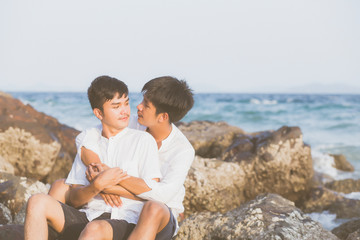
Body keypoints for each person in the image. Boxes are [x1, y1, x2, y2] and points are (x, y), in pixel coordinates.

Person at [49, 76, 195, 239]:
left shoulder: (183, 150)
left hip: (158, 213)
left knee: (153, 207)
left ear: (162, 117)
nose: (138, 107)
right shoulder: (133, 123)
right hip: (123, 207)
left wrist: (109, 183)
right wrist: (99, 169)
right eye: (142, 100)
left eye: (146, 105)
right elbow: (86, 138)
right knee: (60, 186)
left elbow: (161, 195)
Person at [24, 76, 162, 240]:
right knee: (37, 201)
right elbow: (74, 200)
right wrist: (96, 187)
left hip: (125, 220)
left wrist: (110, 185)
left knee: (94, 229)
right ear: (98, 113)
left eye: (126, 103)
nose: (125, 111)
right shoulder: (90, 142)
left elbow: (154, 192)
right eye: (116, 106)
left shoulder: (142, 140)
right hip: (88, 216)